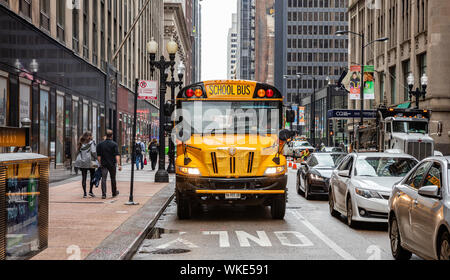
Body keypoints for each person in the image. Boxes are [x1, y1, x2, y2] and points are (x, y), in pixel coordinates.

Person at [97, 130, 122, 199]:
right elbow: (117, 155)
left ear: (106, 135)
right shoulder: (114, 144)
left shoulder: (100, 144)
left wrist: (100, 163)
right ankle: (114, 193)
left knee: (103, 179)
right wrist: (119, 164)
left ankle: (104, 194)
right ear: (112, 136)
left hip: (104, 164)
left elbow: (99, 156)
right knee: (113, 178)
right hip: (112, 164)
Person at [73, 131, 98, 198]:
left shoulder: (81, 143)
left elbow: (77, 152)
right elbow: (93, 152)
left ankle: (84, 193)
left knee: (84, 177)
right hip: (91, 162)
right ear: (89, 136)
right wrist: (97, 158)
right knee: (92, 176)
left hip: (82, 162)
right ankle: (90, 191)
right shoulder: (92, 142)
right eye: (91, 135)